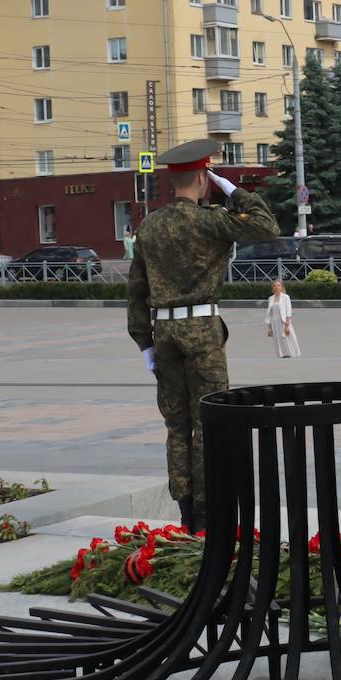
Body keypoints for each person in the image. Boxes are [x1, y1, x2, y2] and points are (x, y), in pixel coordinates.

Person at [126, 140, 279, 532]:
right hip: (201, 333)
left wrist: (144, 343)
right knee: (209, 423)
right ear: (202, 178)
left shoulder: (149, 226)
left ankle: (186, 515)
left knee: (176, 426)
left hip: (163, 334)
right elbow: (267, 226)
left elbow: (136, 290)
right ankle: (209, 515)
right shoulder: (210, 221)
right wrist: (233, 190)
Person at [265, 279, 300, 358]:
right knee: (278, 338)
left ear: (281, 287)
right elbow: (269, 313)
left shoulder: (286, 297)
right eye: (275, 286)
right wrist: (269, 328)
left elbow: (288, 311)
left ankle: (291, 352)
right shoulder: (271, 298)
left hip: (283, 321)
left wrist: (287, 325)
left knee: (287, 336)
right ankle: (282, 353)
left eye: (278, 286)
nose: (276, 287)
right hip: (274, 321)